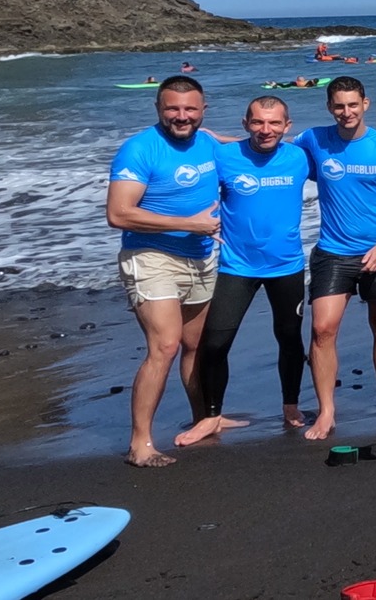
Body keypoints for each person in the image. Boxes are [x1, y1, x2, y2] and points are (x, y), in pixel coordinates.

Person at [176, 95, 311, 445]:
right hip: (236, 265)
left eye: (274, 123)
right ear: (245, 124)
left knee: (290, 339)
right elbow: (190, 176)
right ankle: (212, 416)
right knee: (216, 343)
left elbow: (341, 154)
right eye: (258, 122)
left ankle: (291, 405)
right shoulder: (225, 156)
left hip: (287, 266)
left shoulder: (299, 156)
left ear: (287, 126)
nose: (266, 130)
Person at [104, 75, 222, 467]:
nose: (181, 116)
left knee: (195, 345)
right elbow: (119, 213)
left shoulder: (207, 140)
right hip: (151, 256)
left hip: (202, 257)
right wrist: (191, 224)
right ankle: (140, 444)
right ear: (158, 108)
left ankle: (204, 419)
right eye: (173, 108)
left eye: (190, 109)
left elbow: (257, 146)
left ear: (204, 111)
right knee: (165, 346)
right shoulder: (139, 149)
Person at [296, 76, 376, 439]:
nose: (347, 112)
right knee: (321, 329)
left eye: (353, 104)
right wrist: (215, 143)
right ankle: (327, 410)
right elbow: (269, 153)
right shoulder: (314, 139)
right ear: (330, 108)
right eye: (339, 106)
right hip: (333, 251)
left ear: (366, 104)